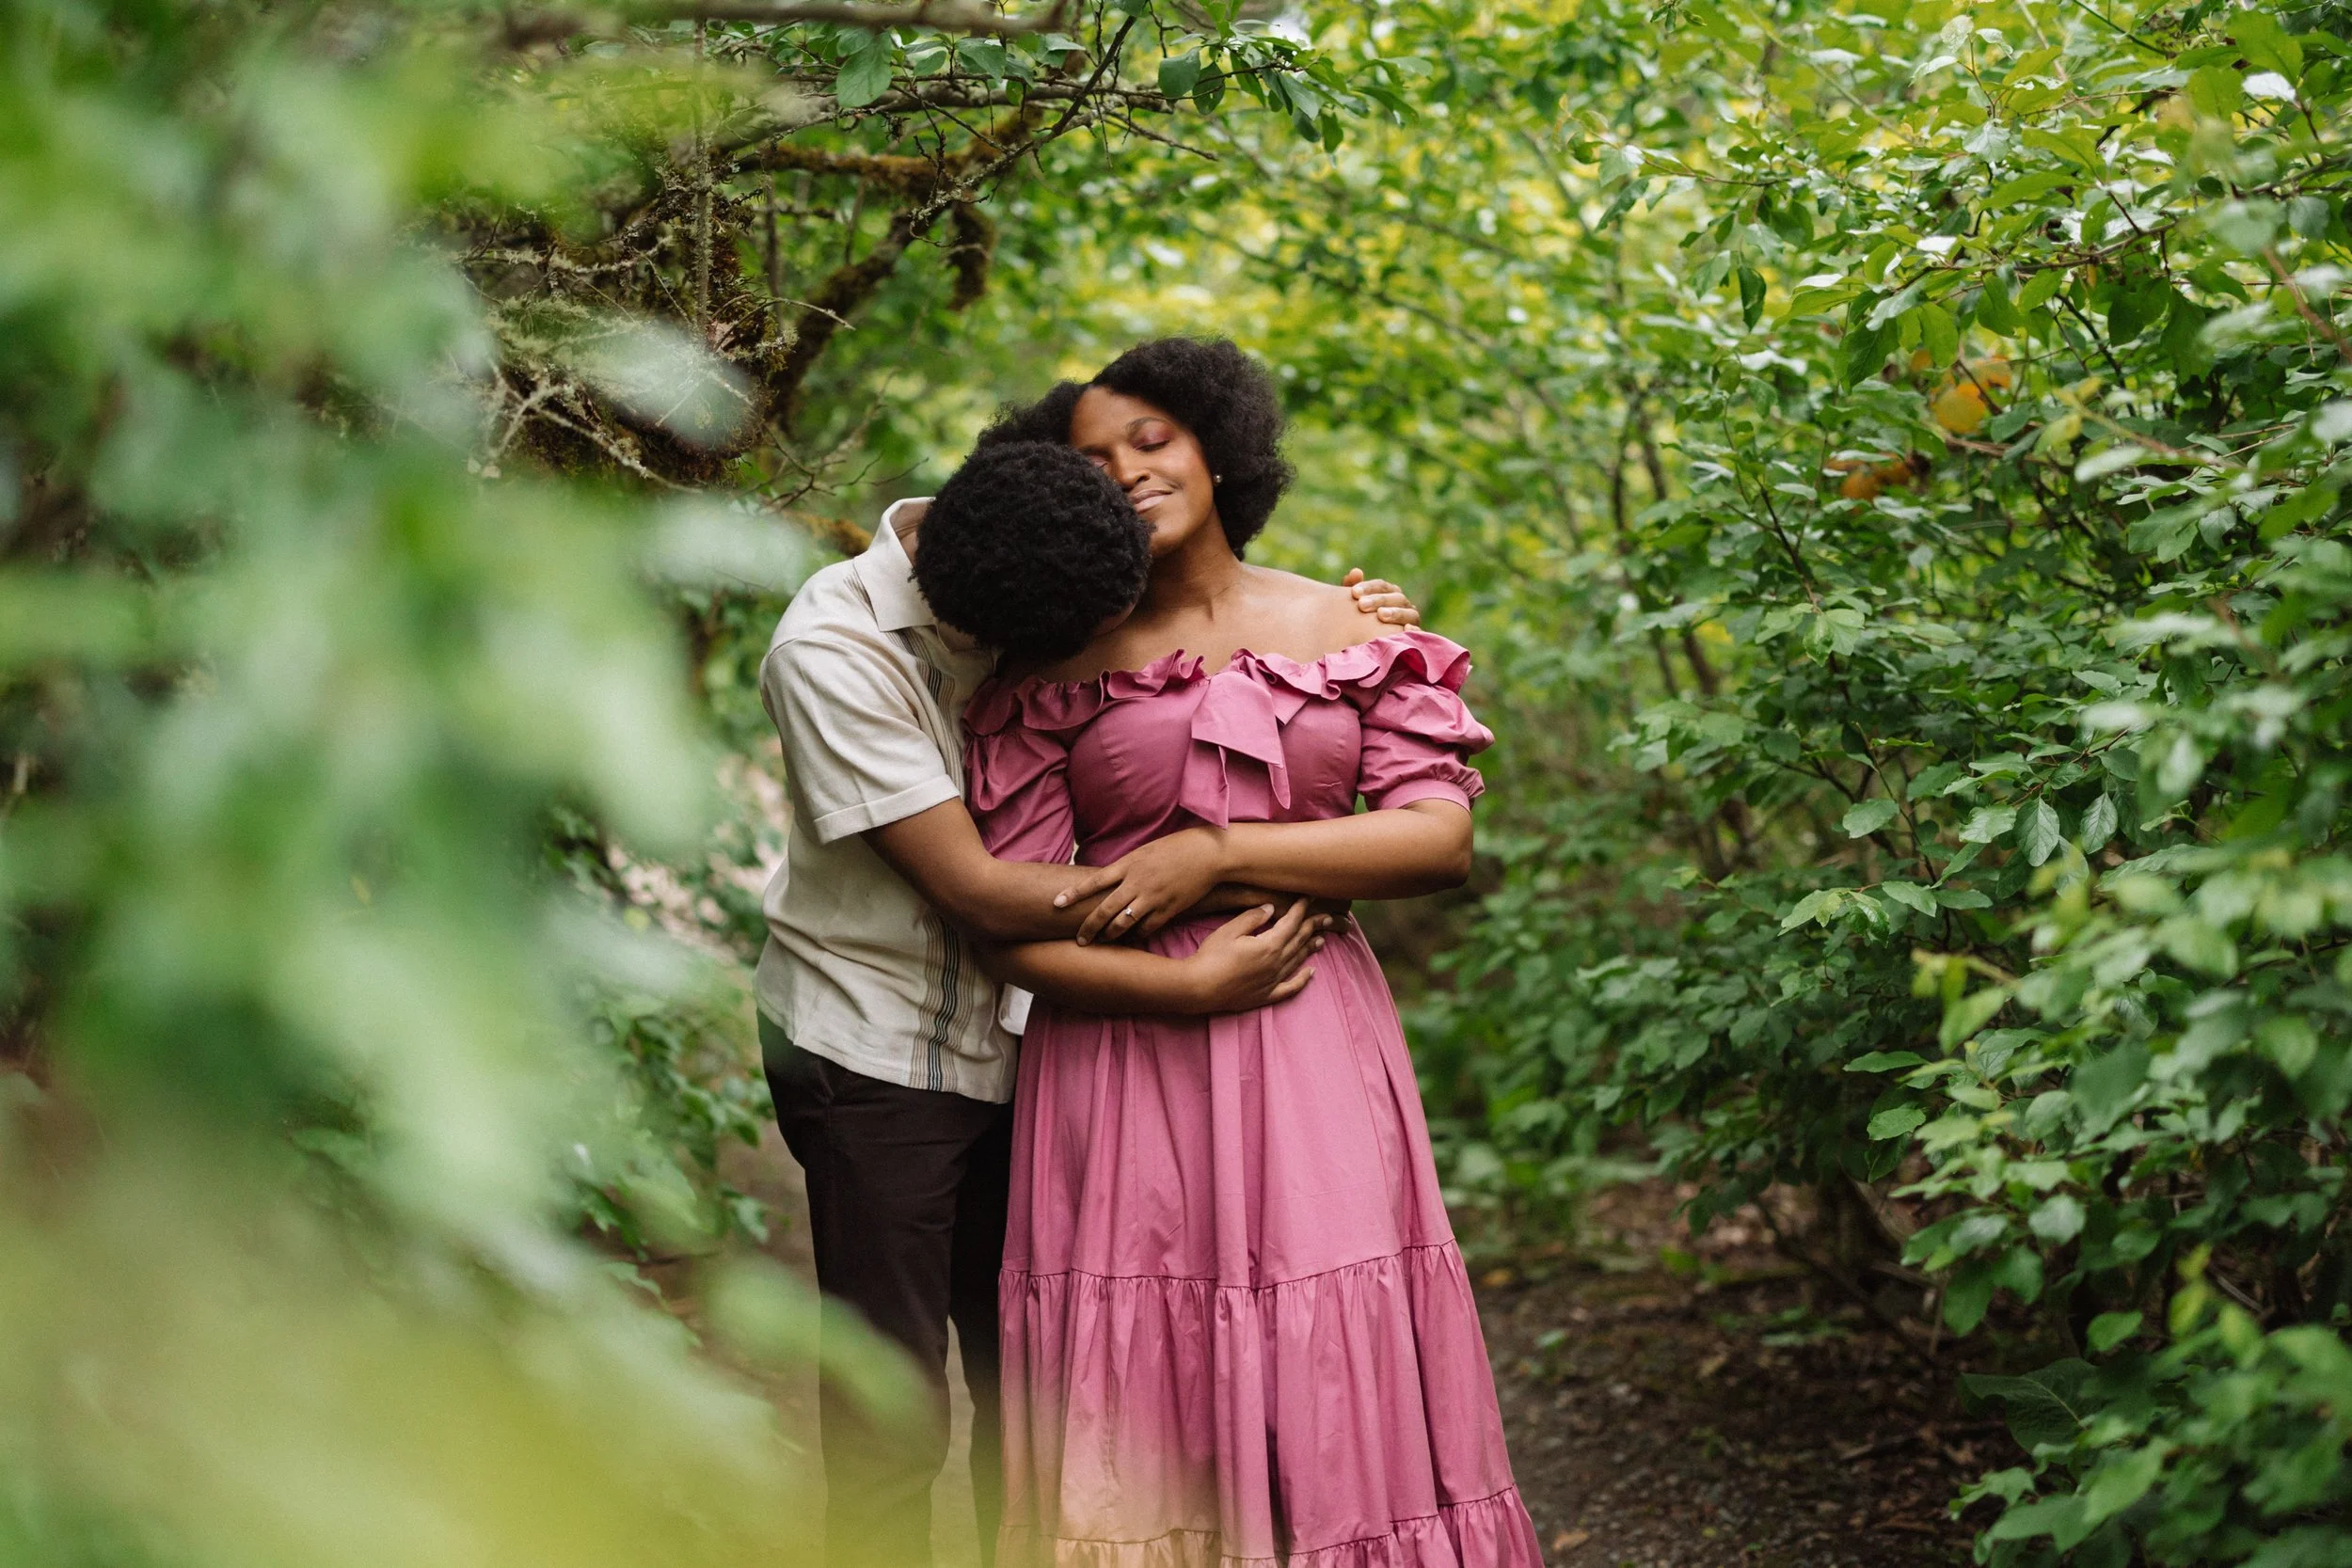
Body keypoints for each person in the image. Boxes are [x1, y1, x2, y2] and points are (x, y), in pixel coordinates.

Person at [925, 338, 1543, 1568]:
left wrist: (1214, 855)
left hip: (1314, 1030)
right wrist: (1179, 968)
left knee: (1330, 1327)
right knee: (1144, 1357)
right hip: (1118, 1053)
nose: (1131, 470)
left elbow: (1437, 837)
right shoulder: (1042, 676)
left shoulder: (1344, 622)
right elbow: (1015, 932)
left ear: (1217, 445)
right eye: (1092, 461)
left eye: (1151, 436)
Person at [753, 436, 1420, 1568]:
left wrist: (1337, 613)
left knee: (1040, 1388)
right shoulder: (831, 651)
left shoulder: (1044, 519)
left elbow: (1197, 549)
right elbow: (973, 888)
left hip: (1033, 1040)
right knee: (891, 1399)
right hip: (877, 1047)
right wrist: (1197, 918)